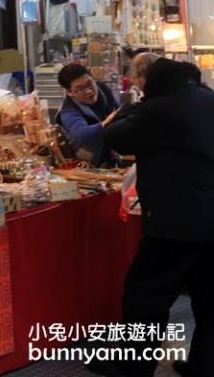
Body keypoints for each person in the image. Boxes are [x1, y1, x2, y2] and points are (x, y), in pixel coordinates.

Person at [102, 55, 214, 377]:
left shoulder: (157, 109)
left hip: (173, 224)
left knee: (145, 299)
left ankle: (133, 369)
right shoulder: (209, 100)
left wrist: (133, 107)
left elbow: (113, 137)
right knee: (210, 303)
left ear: (151, 83)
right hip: (210, 220)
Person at [54, 63, 119, 165]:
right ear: (69, 92)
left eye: (89, 83)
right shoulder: (68, 111)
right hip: (88, 164)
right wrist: (106, 123)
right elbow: (81, 134)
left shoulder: (102, 89)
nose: (89, 91)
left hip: (110, 153)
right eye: (80, 89)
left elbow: (117, 109)